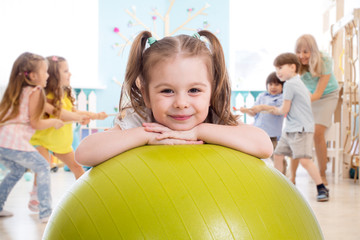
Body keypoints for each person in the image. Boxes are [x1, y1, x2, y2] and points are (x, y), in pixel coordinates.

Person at [75, 30, 273, 167]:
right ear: (146, 95)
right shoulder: (142, 122)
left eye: (194, 90)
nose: (181, 103)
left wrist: (199, 131)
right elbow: (84, 153)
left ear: (212, 93)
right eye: (167, 91)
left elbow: (264, 146)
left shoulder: (216, 118)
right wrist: (147, 136)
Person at [28, 55, 107, 212]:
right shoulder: (45, 96)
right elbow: (61, 114)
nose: (69, 74)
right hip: (41, 139)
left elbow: (72, 112)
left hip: (60, 141)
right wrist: (78, 117)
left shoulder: (65, 94)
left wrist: (94, 116)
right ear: (54, 76)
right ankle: (35, 196)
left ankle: (85, 194)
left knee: (77, 166)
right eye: (65, 71)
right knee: (44, 165)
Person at [0, 52, 64, 222]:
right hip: (13, 141)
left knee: (17, 170)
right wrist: (55, 122)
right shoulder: (35, 91)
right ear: (33, 76)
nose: (48, 75)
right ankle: (45, 213)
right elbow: (36, 123)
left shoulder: (18, 91)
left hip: (3, 141)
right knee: (43, 166)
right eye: (45, 71)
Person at [260, 52, 329, 202]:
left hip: (301, 129)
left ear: (292, 67)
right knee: (278, 155)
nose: (278, 72)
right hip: (291, 127)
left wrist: (267, 108)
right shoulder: (296, 82)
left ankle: (321, 187)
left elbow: (283, 110)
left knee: (304, 160)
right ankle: (279, 185)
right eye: (276, 69)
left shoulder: (291, 84)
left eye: (280, 68)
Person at [291, 34, 339, 185]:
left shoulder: (324, 61)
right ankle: (291, 177)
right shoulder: (295, 63)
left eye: (306, 51)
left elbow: (319, 94)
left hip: (327, 95)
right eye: (299, 52)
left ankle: (322, 174)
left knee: (317, 132)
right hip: (310, 95)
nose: (302, 55)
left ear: (313, 51)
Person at [239, 72, 286, 173]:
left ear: (283, 86)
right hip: (259, 132)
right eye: (270, 84)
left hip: (272, 135)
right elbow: (254, 113)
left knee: (276, 156)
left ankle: (284, 175)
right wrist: (247, 110)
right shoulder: (262, 96)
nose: (273, 87)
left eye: (277, 84)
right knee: (255, 154)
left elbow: (278, 110)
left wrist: (263, 107)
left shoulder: (282, 98)